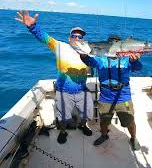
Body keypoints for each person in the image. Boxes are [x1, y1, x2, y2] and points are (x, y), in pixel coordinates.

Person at [15, 10, 94, 144]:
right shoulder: (60, 46)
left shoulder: (89, 52)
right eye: (74, 36)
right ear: (69, 38)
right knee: (63, 116)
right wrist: (32, 27)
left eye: (80, 37)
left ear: (83, 40)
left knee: (87, 113)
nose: (77, 38)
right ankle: (62, 132)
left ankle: (82, 125)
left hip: (82, 90)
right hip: (63, 91)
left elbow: (100, 63)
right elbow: (44, 38)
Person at [78, 36, 142, 150]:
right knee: (104, 121)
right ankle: (104, 135)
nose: (114, 46)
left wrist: (135, 60)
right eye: (111, 43)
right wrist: (82, 54)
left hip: (123, 96)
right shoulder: (100, 58)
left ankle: (133, 138)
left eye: (116, 43)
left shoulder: (127, 58)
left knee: (129, 120)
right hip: (105, 96)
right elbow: (88, 60)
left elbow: (137, 68)